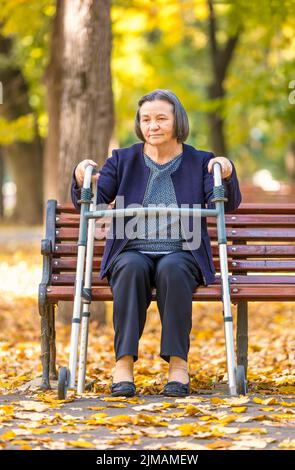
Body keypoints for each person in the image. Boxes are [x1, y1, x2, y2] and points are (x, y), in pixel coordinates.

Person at [71, 89, 242, 398]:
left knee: (173, 269)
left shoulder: (200, 161)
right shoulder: (122, 160)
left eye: (162, 118)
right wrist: (82, 174)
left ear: (177, 121)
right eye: (146, 119)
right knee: (130, 267)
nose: (153, 126)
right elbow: (91, 199)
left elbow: (226, 204)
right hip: (132, 248)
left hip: (182, 250)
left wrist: (225, 173)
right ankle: (123, 364)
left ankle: (178, 365)